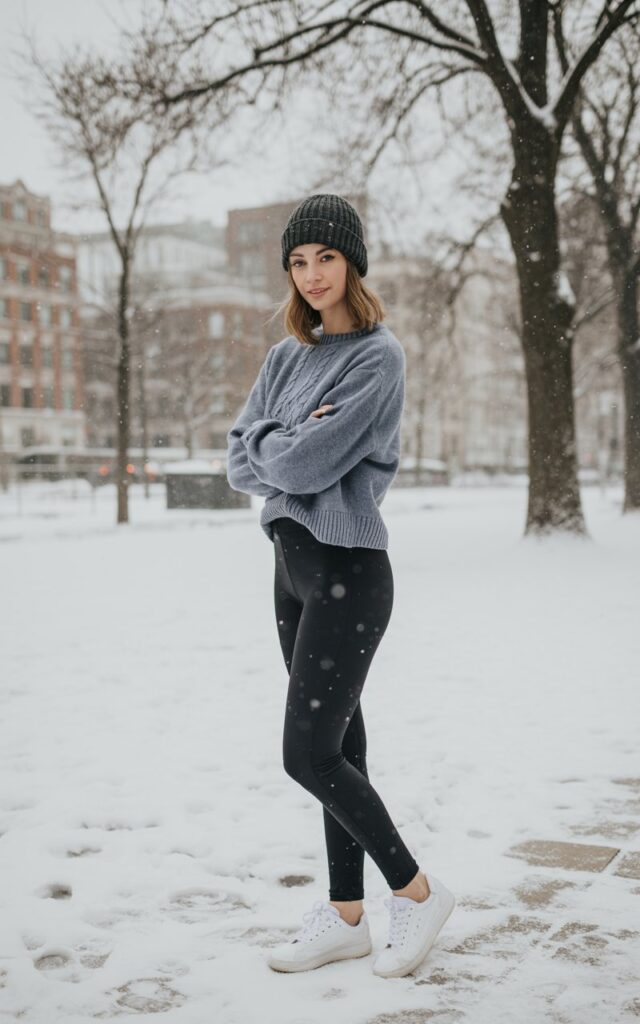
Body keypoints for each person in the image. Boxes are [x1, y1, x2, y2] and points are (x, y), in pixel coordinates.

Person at [226, 193, 455, 978]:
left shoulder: (376, 356)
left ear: (352, 261)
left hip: (347, 573)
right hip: (290, 566)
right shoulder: (290, 354)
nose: (312, 274)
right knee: (341, 742)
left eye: (325, 257)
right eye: (298, 261)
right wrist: (276, 435)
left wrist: (274, 444)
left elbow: (297, 467)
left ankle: (416, 893)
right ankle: (347, 912)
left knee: (308, 754)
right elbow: (239, 457)